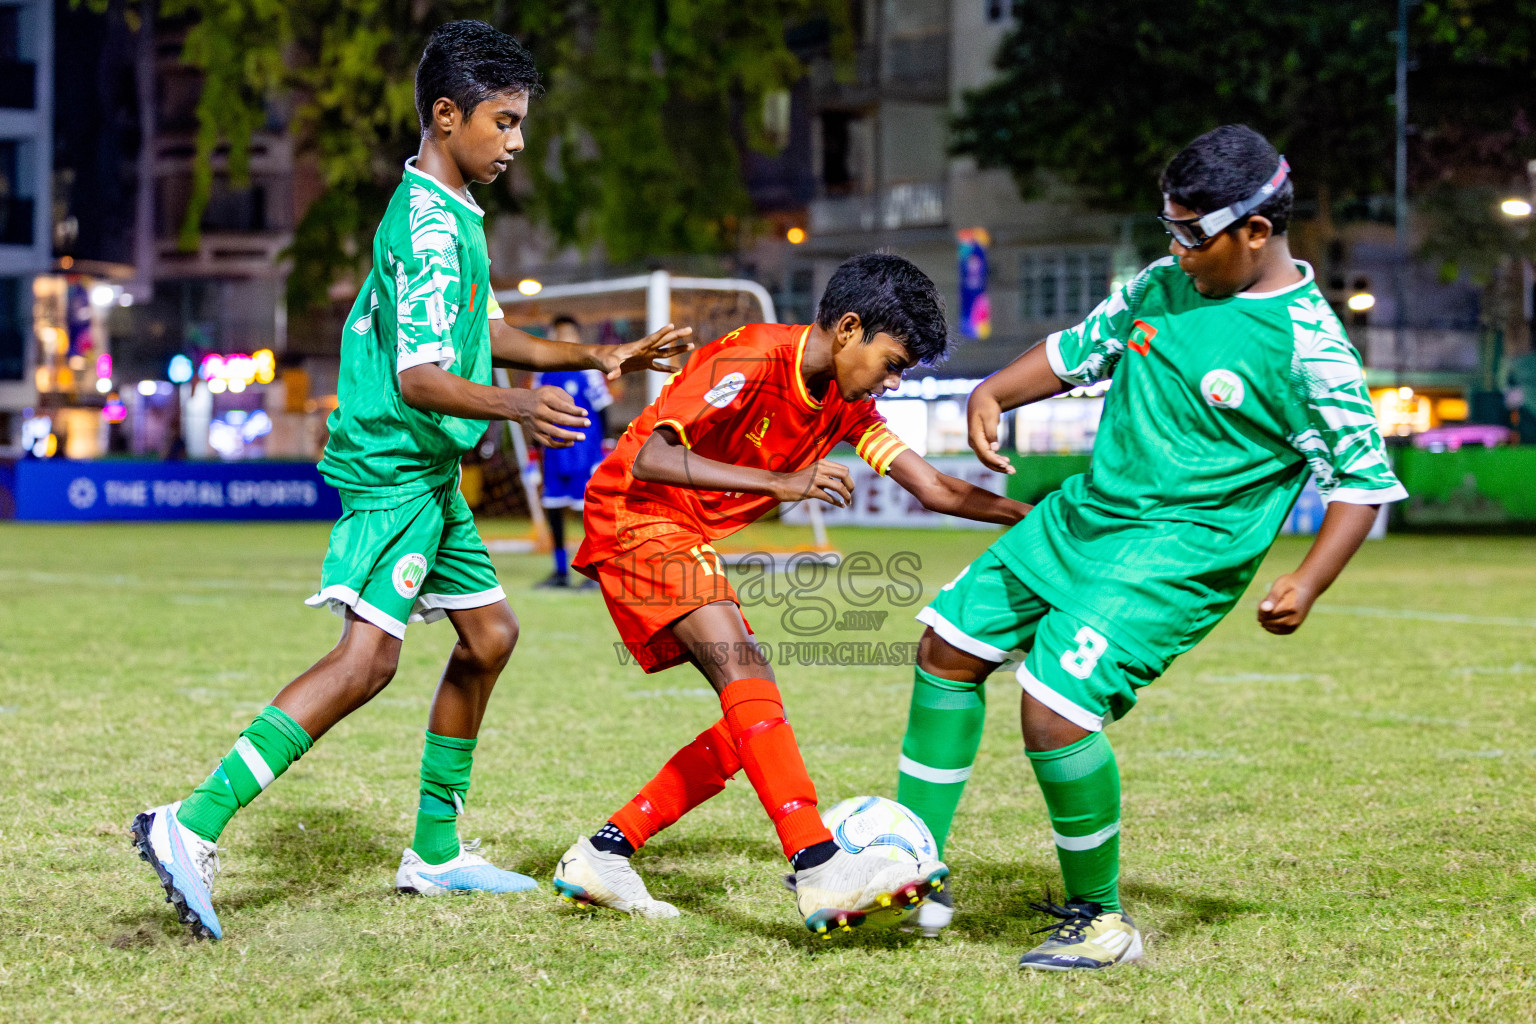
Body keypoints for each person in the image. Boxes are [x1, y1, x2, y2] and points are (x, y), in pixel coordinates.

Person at [129, 20, 691, 941]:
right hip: (398, 466)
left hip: (430, 469)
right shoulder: (430, 229)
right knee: (368, 660)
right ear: (446, 114)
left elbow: (489, 334)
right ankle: (189, 824)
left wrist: (599, 353)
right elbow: (421, 379)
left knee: (490, 635)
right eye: (503, 123)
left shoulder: (451, 213)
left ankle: (434, 851)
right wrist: (522, 409)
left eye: (520, 125)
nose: (515, 143)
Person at [891, 125, 1408, 969]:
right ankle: (914, 871)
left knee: (1054, 707)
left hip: (1178, 554)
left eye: (1193, 234)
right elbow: (1076, 352)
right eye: (1169, 228)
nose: (1178, 248)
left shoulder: (1311, 346)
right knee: (947, 647)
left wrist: (1309, 582)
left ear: (1255, 232)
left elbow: (1360, 477)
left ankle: (1100, 921)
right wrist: (994, 392)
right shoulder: (1161, 286)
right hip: (1085, 515)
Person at [550, 253, 1033, 935]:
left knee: (747, 721)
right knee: (747, 675)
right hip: (635, 511)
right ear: (848, 329)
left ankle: (606, 851)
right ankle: (818, 863)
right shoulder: (749, 355)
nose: (891, 384)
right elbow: (651, 458)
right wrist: (783, 484)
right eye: (892, 363)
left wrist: (1033, 516)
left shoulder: (847, 404)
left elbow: (934, 488)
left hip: (675, 528)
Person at [533, 315, 612, 589]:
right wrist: (536, 452)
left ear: (577, 338)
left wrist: (604, 448)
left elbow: (603, 410)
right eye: (558, 333)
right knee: (554, 510)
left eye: (568, 333)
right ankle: (560, 571)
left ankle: (596, 572)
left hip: (583, 454)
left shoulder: (588, 371)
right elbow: (533, 412)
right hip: (554, 455)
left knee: (587, 514)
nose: (563, 339)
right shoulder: (542, 372)